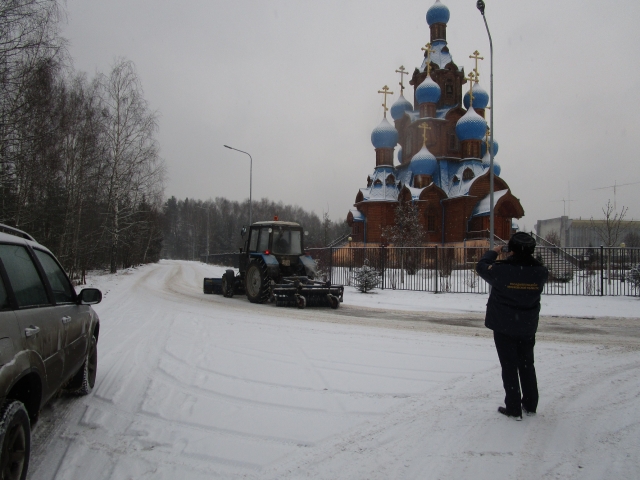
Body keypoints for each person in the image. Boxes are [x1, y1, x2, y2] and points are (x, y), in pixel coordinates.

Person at [476, 232, 548, 420]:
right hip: (527, 326)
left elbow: (481, 267)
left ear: (512, 250)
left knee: (509, 367)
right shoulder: (540, 272)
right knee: (527, 365)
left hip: (504, 326)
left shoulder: (502, 270)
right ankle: (530, 404)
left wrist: (493, 252)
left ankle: (514, 407)